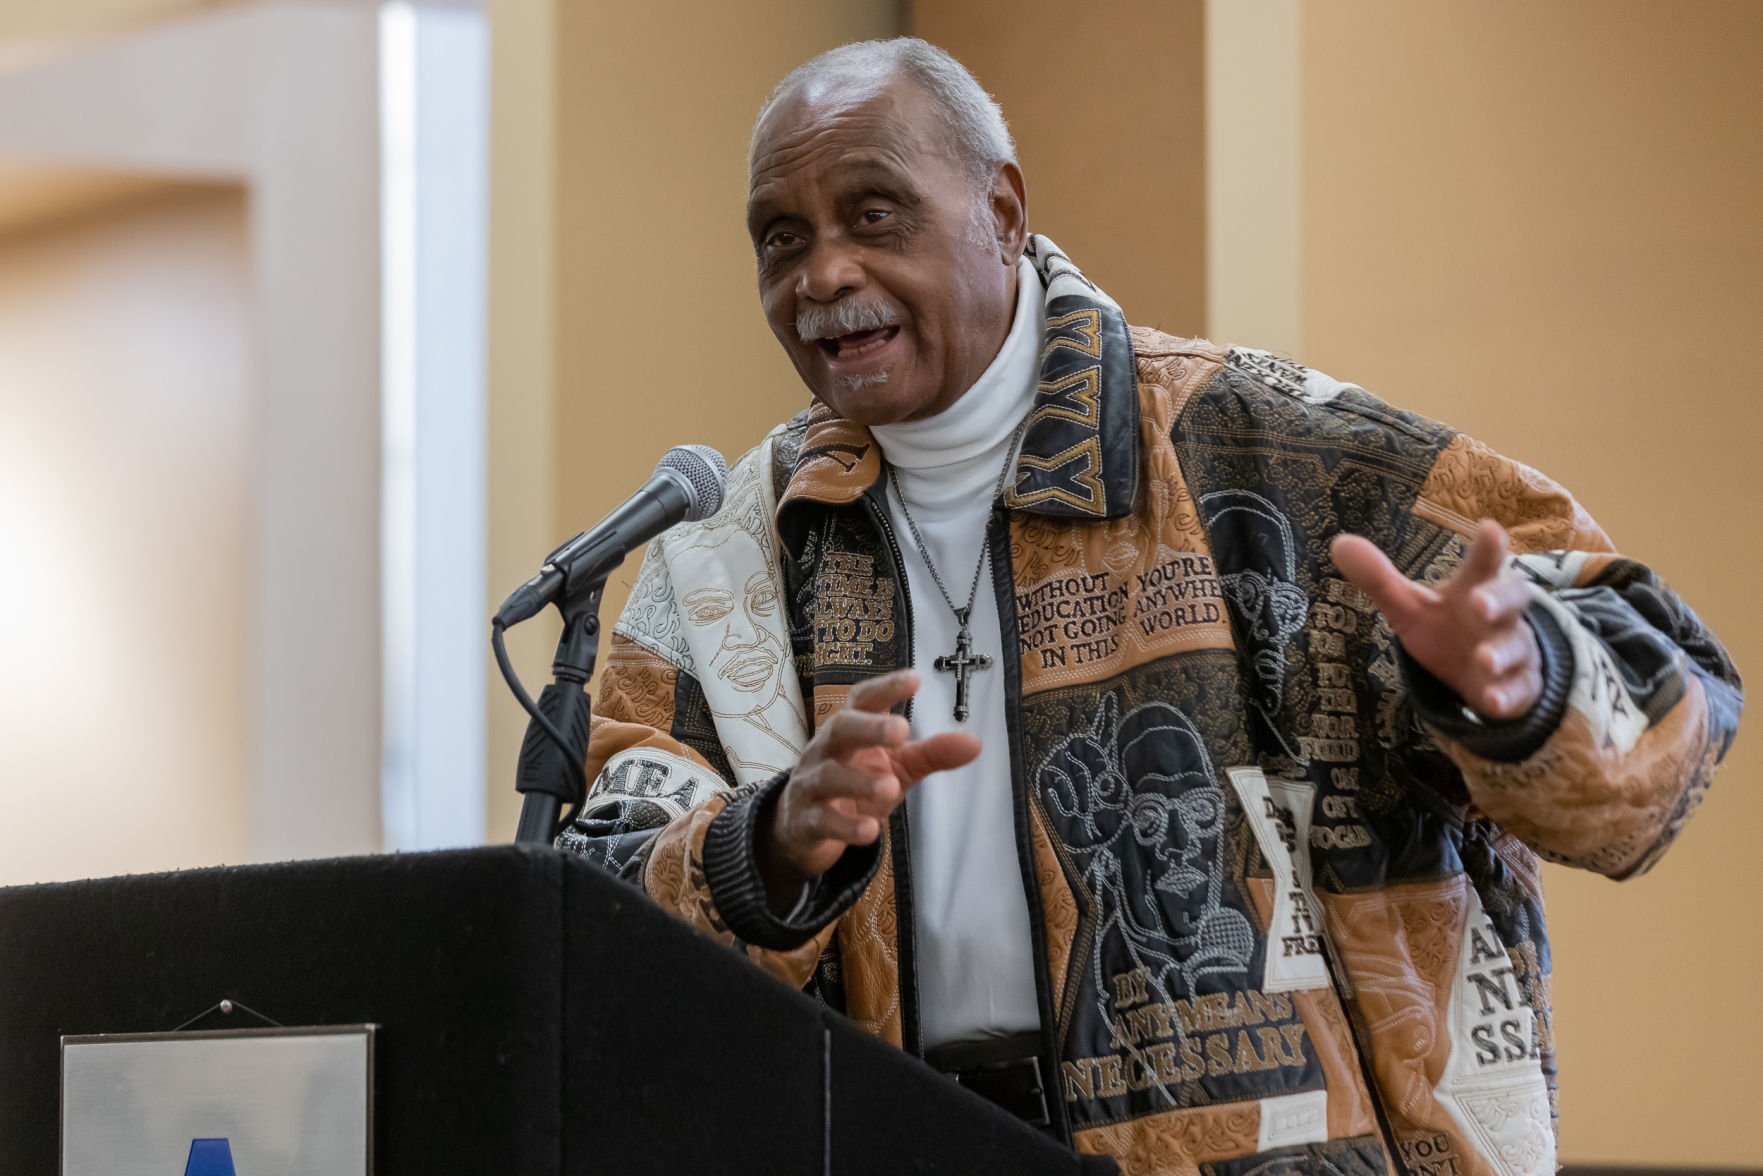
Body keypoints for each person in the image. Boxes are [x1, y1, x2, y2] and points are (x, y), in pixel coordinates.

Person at [556, 37, 1742, 1176]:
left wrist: (1520, 685)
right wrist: (766, 841)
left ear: (1001, 214)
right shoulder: (725, 554)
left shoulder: (1272, 451)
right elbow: (595, 904)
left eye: (873, 214)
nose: (820, 275)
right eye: (780, 239)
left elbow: (1661, 707)